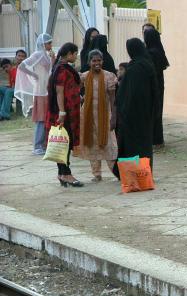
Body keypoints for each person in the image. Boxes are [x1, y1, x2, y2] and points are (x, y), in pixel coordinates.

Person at [114, 38, 158, 178]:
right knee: (144, 145)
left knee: (131, 146)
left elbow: (128, 95)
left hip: (132, 117)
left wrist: (122, 110)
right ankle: (145, 175)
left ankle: (133, 176)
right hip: (146, 115)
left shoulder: (134, 69)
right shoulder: (148, 65)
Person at [46, 42, 83, 187]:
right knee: (64, 142)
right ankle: (66, 173)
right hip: (64, 112)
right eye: (75, 54)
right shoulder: (62, 70)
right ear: (69, 54)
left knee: (62, 141)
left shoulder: (61, 67)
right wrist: (62, 112)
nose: (76, 56)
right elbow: (60, 91)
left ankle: (62, 173)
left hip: (67, 110)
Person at [79, 50, 118, 182]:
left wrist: (114, 116)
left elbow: (113, 99)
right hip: (88, 116)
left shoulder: (109, 76)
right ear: (89, 62)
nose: (97, 63)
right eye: (94, 60)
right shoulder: (84, 76)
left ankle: (116, 172)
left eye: (99, 60)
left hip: (105, 115)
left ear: (102, 61)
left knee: (109, 144)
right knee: (92, 144)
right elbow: (75, 91)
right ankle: (97, 174)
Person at [14, 33, 55, 155]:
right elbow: (22, 66)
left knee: (47, 118)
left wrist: (53, 59)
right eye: (49, 43)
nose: (50, 45)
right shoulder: (37, 55)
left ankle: (44, 144)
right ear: (43, 44)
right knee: (41, 119)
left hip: (46, 89)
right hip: (40, 91)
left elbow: (50, 71)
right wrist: (33, 75)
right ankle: (37, 146)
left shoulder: (47, 55)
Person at [144, 28, 170, 149]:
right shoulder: (159, 50)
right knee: (158, 112)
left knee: (152, 113)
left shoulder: (151, 52)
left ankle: (154, 140)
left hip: (151, 86)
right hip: (159, 84)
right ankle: (158, 140)